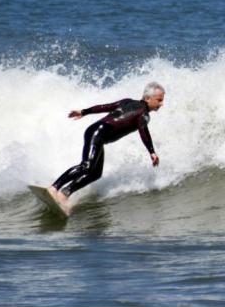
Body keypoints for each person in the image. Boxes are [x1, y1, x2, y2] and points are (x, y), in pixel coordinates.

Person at [48, 82, 165, 212]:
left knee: (95, 173)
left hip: (96, 134)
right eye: (159, 100)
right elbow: (143, 132)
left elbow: (105, 107)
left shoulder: (128, 101)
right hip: (97, 134)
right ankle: (54, 188)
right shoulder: (143, 114)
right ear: (148, 98)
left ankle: (64, 194)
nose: (161, 104)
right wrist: (152, 152)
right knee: (86, 166)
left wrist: (84, 112)